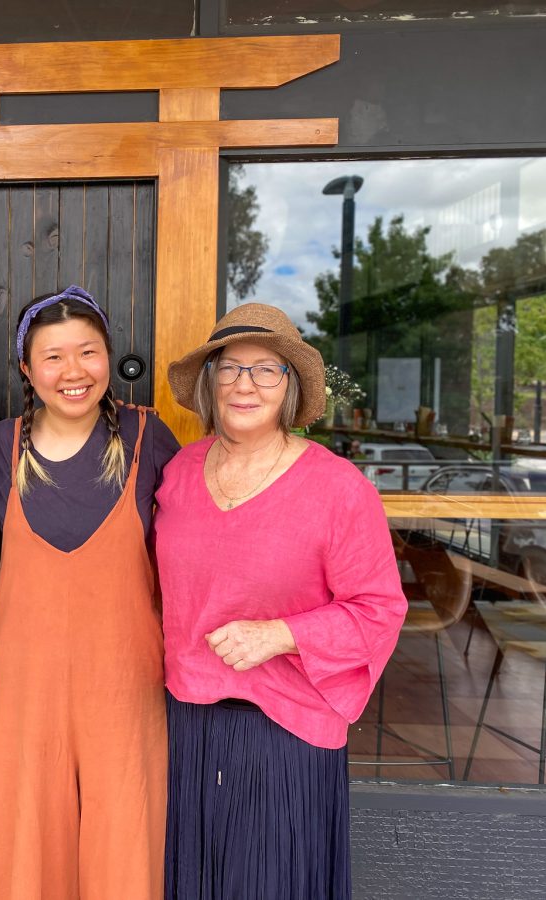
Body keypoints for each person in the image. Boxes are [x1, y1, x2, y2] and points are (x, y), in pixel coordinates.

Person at [153, 303, 407, 900]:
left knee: (271, 881)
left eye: (267, 369)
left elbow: (379, 609)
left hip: (285, 729)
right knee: (193, 880)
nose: (245, 384)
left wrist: (281, 634)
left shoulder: (338, 488)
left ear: (290, 386)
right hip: (188, 722)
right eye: (230, 368)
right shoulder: (180, 473)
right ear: (211, 382)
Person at [0, 286, 179, 900]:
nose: (73, 371)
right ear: (27, 370)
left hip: (124, 678)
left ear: (108, 358)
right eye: (53, 357)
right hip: (24, 683)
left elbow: (195, 546)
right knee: (25, 831)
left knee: (125, 828)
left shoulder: (148, 437)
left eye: (87, 352)